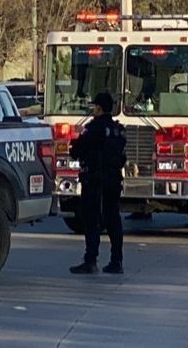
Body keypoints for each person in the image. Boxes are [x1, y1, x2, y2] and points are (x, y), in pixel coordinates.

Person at [69, 92, 127, 275]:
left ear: (99, 108)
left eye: (94, 106)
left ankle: (90, 260)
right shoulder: (118, 130)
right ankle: (116, 261)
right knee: (113, 219)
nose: (92, 109)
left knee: (92, 220)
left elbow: (77, 150)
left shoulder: (93, 128)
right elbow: (122, 157)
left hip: (94, 180)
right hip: (114, 179)